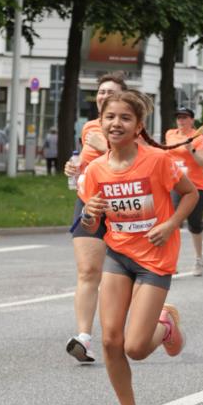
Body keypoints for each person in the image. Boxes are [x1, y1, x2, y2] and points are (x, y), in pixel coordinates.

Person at [79, 90, 198, 405]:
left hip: (155, 258)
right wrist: (90, 213)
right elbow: (89, 223)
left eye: (125, 118)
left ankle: (166, 325)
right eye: (110, 117)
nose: (116, 124)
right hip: (118, 254)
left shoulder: (157, 160)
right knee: (110, 339)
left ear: (138, 126)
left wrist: (172, 223)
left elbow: (190, 194)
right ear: (101, 122)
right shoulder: (95, 170)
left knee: (136, 348)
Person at [64, 72, 129, 364]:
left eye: (110, 92)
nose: (103, 96)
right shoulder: (89, 126)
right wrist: (73, 168)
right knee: (88, 271)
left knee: (129, 274)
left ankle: (157, 320)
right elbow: (88, 165)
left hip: (126, 204)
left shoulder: (131, 124)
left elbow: (135, 160)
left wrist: (104, 146)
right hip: (89, 202)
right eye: (101, 92)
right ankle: (84, 339)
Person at [165, 107, 203, 276]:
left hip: (196, 187)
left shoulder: (198, 138)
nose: (181, 121)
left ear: (192, 120)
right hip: (175, 186)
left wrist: (191, 149)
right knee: (173, 222)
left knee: (195, 225)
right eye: (179, 117)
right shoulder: (170, 134)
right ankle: (171, 262)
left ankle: (199, 258)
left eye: (184, 118)